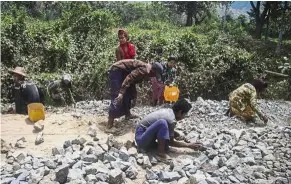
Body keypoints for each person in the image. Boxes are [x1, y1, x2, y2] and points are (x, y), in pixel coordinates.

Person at [135, 98, 205, 160]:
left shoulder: (169, 112)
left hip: (144, 135)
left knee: (167, 147)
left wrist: (175, 134)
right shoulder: (171, 119)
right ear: (180, 112)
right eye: (185, 114)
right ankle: (161, 154)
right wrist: (188, 145)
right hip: (141, 139)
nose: (184, 117)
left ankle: (159, 149)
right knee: (162, 123)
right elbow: (171, 142)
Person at [107, 59, 164, 129]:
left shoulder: (145, 70)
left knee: (128, 94)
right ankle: (109, 124)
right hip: (117, 70)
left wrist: (134, 96)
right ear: (153, 70)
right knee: (117, 96)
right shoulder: (144, 69)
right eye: (154, 74)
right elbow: (130, 78)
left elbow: (132, 83)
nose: (153, 76)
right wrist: (121, 93)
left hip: (122, 72)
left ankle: (127, 114)